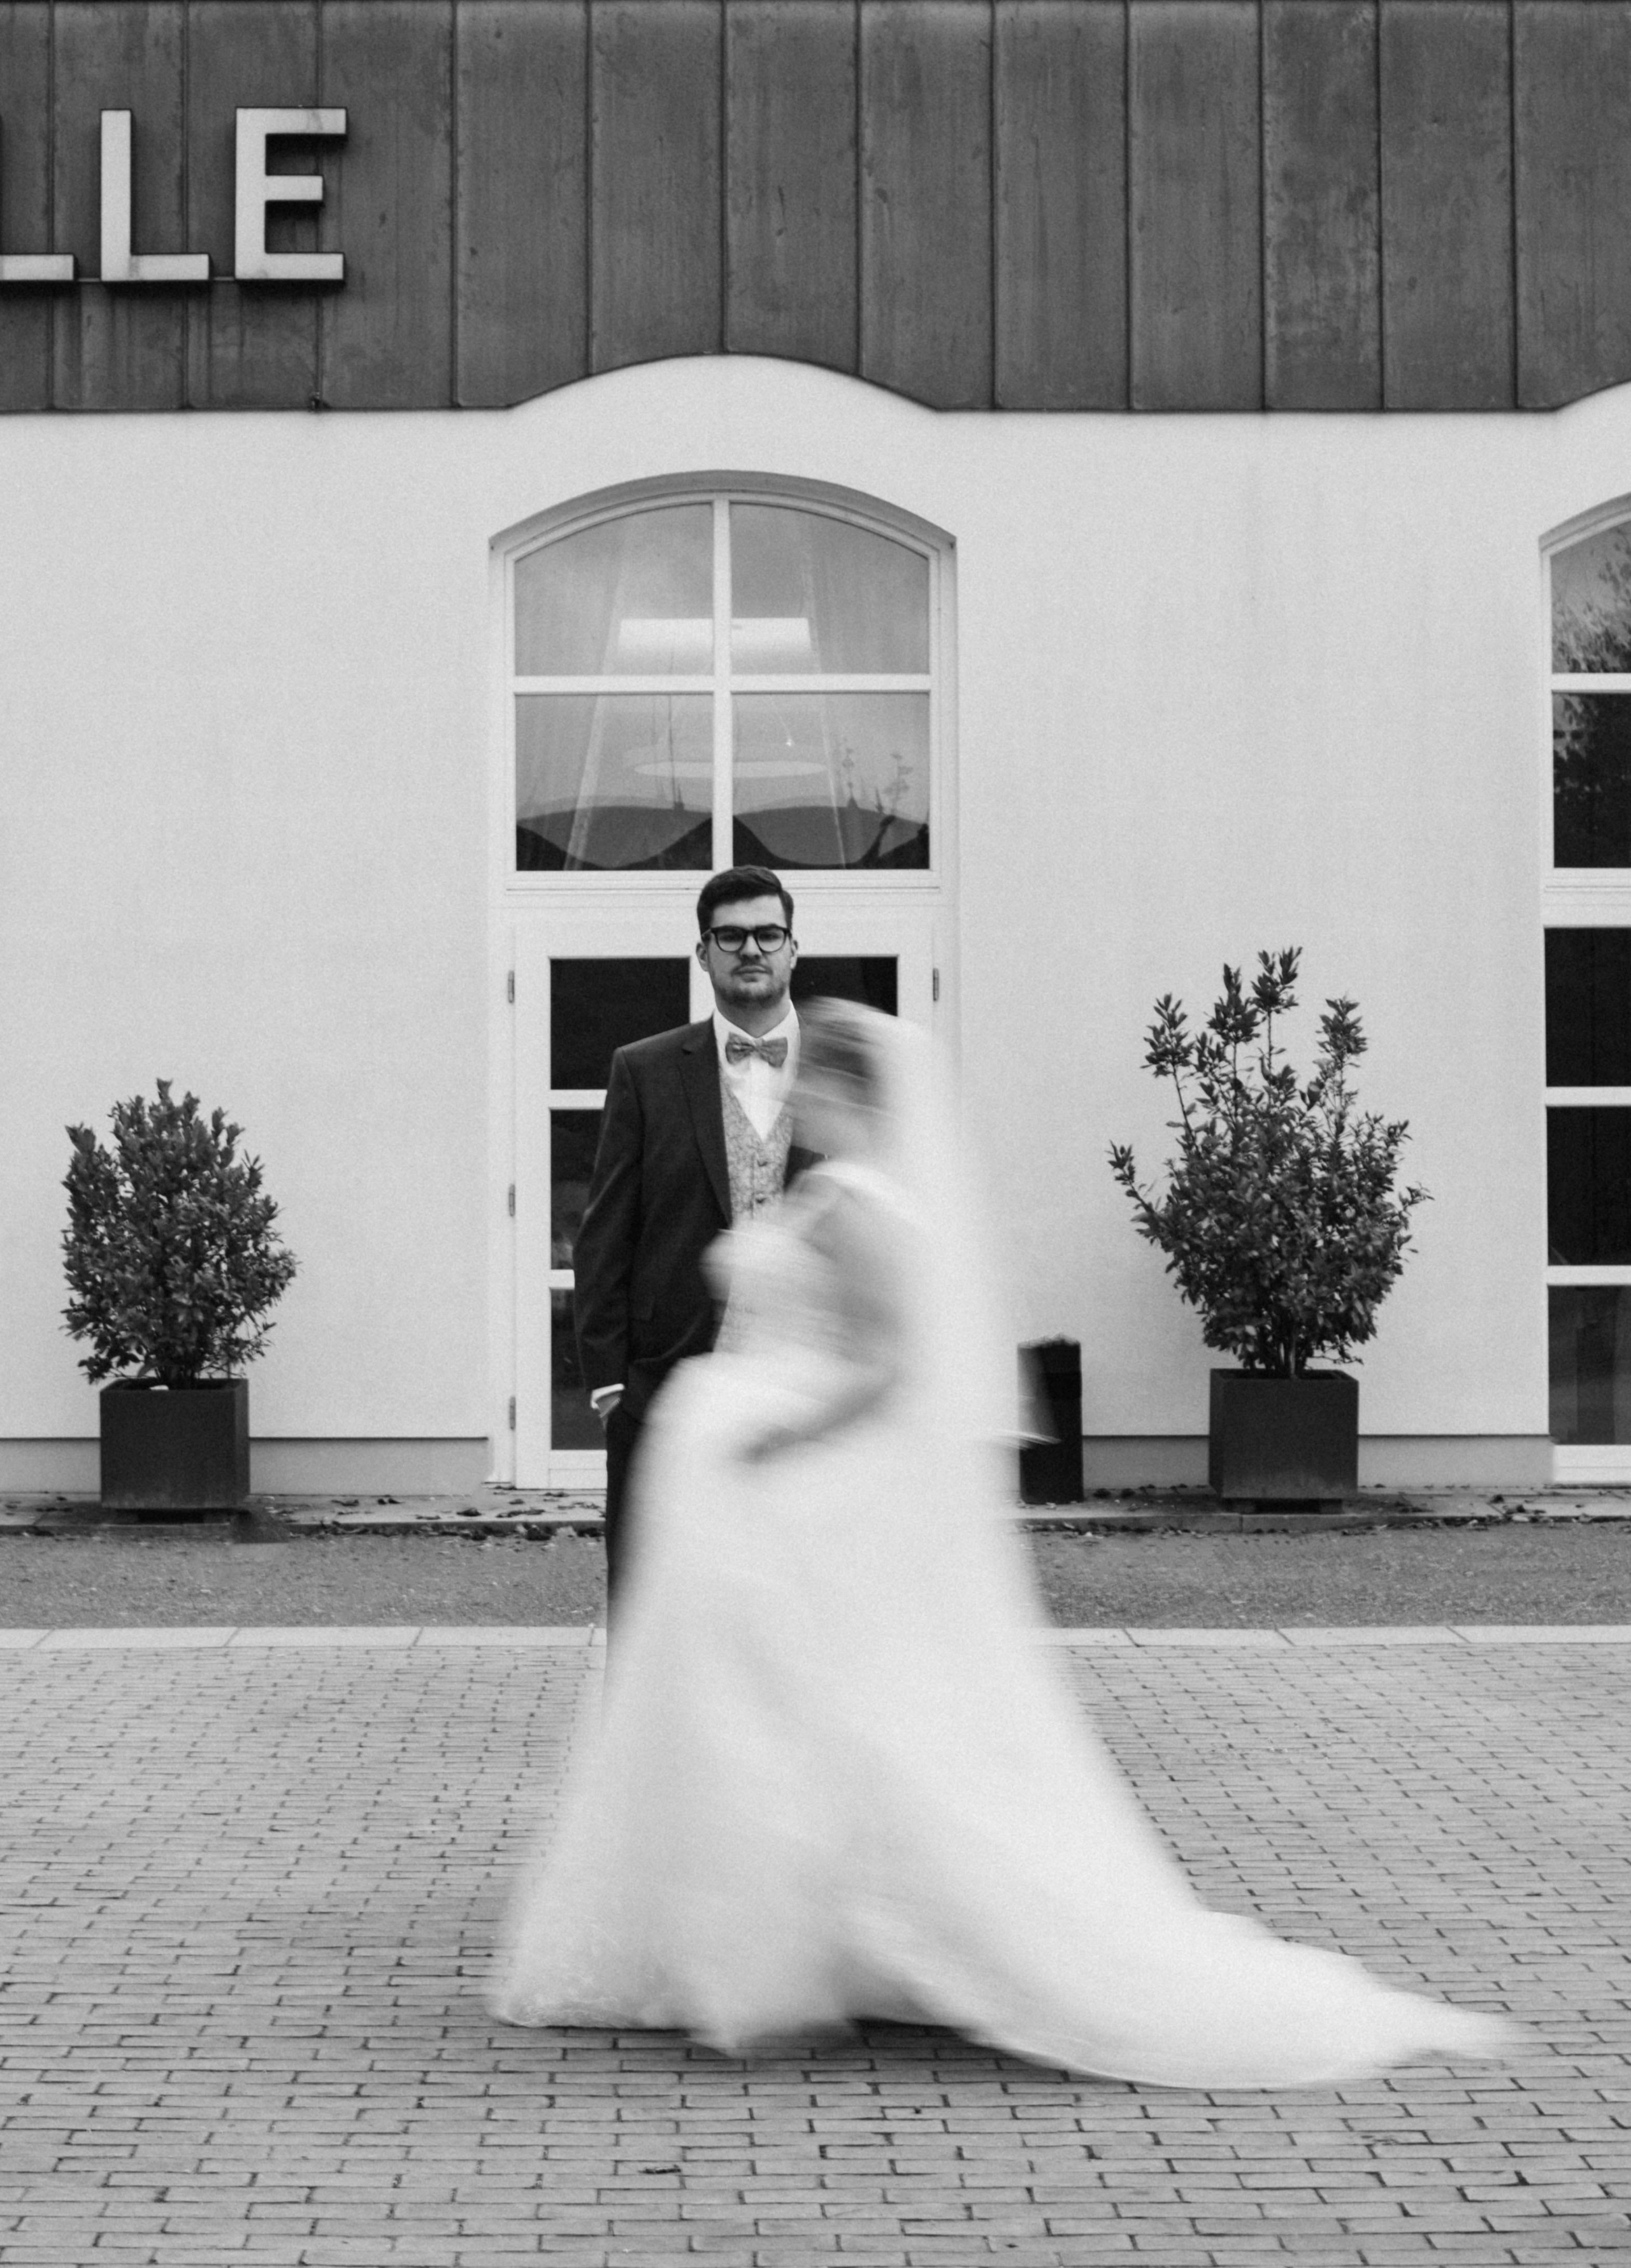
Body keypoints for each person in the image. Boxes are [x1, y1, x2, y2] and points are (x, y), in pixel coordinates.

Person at [495, 1003, 1517, 2090]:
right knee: (787, 1715)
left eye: (818, 1084)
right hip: (785, 1505)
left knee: (792, 1717)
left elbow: (889, 1368)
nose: (801, 1098)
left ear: (848, 1093)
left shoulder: (853, 1201)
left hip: (797, 1496)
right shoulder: (866, 1195)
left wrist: (772, 1434)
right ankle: (805, 1941)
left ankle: (786, 1955)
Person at [572, 865, 818, 1600]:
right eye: (731, 935)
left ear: (793, 948)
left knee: (794, 1596)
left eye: (767, 933)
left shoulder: (841, 1068)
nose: (751, 949)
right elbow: (606, 1231)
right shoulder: (644, 1070)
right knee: (656, 1593)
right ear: (702, 953)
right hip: (669, 1386)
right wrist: (612, 1382)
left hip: (806, 1388)